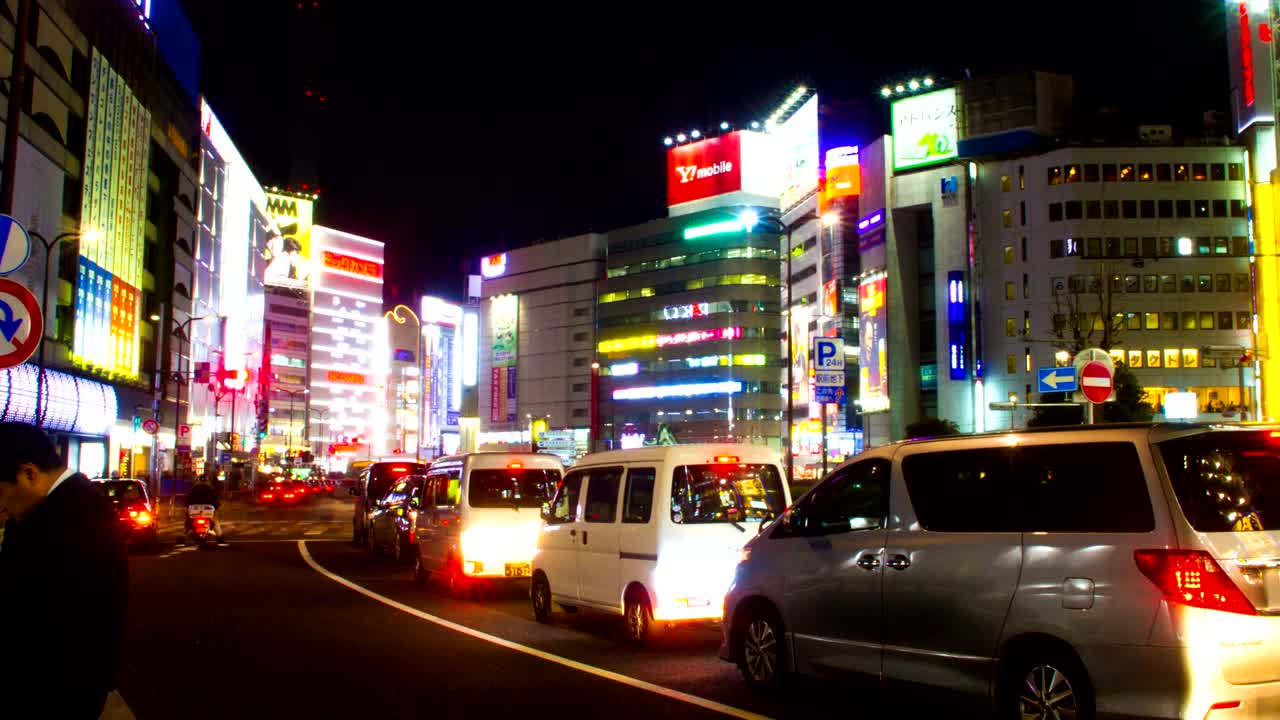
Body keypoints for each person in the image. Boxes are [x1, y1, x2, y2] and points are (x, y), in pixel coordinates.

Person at [0, 421, 129, 718]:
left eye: (0, 491)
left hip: (53, 686)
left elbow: (40, 609)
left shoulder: (72, 516)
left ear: (29, 474)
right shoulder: (63, 504)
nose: (1, 504)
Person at [181, 477, 228, 546]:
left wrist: (186, 508)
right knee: (215, 520)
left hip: (194, 509)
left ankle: (182, 538)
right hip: (207, 510)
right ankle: (220, 538)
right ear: (207, 481)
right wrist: (216, 508)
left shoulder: (194, 489)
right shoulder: (210, 489)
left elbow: (187, 500)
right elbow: (216, 502)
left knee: (188, 521)